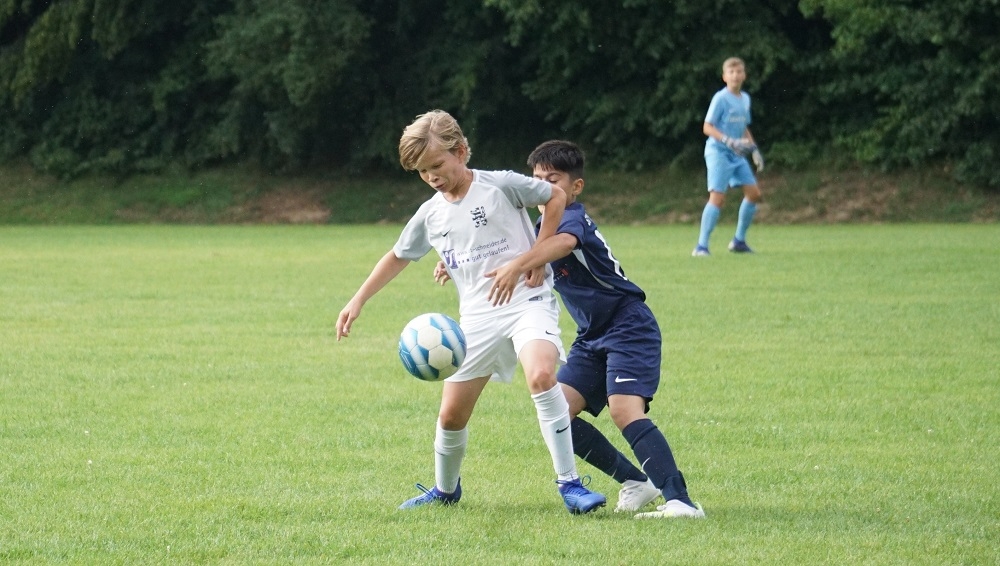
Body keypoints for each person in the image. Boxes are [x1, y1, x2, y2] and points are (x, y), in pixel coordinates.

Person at [336, 110, 606, 515]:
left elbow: (556, 197)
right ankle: (446, 490)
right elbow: (397, 256)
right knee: (450, 416)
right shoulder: (431, 213)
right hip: (477, 321)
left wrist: (536, 256)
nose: (432, 177)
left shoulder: (498, 184)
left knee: (541, 374)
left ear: (461, 151)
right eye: (423, 172)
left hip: (525, 303)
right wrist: (357, 300)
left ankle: (569, 484)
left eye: (437, 166)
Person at [440, 140, 704, 518]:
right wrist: (451, 265)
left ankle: (680, 501)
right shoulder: (536, 228)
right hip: (591, 335)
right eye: (537, 179)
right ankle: (637, 482)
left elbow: (561, 245)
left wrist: (518, 265)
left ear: (575, 187)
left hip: (627, 324)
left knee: (624, 410)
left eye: (554, 180)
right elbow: (501, 249)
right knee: (559, 415)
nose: (544, 187)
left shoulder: (572, 219)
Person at [693, 56, 765, 257]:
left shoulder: (745, 99)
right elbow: (707, 127)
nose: (736, 75)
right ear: (724, 76)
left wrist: (754, 149)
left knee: (754, 194)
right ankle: (701, 246)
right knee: (717, 198)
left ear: (744, 75)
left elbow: (743, 127)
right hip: (719, 152)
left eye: (739, 71)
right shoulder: (720, 98)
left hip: (737, 154)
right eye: (731, 72)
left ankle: (739, 241)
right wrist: (727, 140)